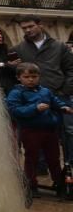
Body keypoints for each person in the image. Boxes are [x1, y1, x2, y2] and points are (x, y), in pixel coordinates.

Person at [6, 62, 72, 201]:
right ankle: (31, 185)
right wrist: (35, 108)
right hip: (30, 131)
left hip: (49, 130)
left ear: (39, 77)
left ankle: (59, 184)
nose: (31, 79)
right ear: (19, 77)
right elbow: (15, 110)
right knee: (31, 159)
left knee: (54, 159)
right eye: (27, 76)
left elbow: (54, 102)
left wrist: (64, 107)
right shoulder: (16, 93)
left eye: (34, 76)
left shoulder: (45, 91)